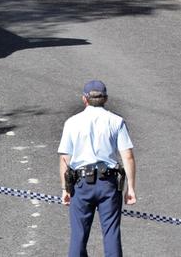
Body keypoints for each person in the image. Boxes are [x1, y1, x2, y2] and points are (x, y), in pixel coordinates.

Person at [58, 80, 137, 257]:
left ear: (84, 99)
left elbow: (65, 158)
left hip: (81, 184)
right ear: (106, 99)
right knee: (111, 233)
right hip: (108, 183)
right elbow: (128, 156)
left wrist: (65, 188)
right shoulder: (116, 121)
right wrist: (130, 188)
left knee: (78, 235)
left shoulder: (72, 122)